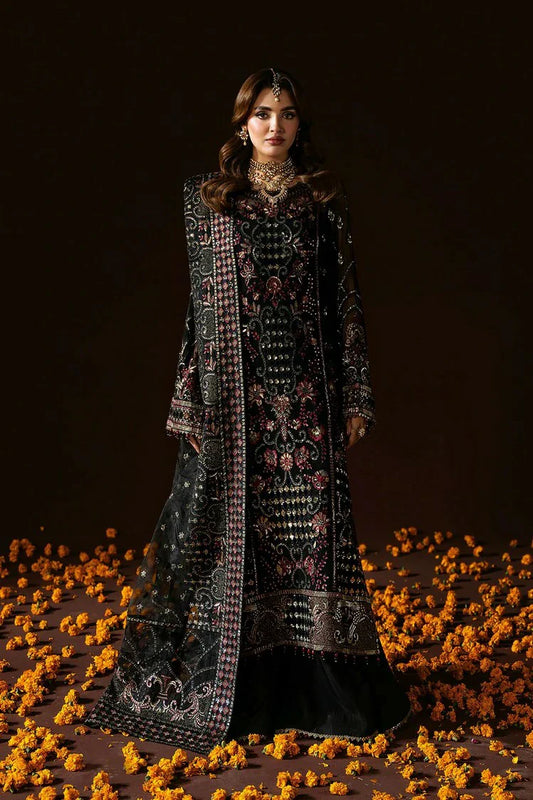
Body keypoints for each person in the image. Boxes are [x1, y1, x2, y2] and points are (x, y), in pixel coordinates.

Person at [85, 67, 412, 754]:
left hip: (308, 397)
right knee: (235, 542)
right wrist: (189, 400)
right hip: (235, 402)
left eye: (287, 113)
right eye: (262, 112)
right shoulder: (209, 201)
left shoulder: (322, 198)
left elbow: (344, 299)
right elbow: (199, 312)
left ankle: (318, 686)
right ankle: (242, 684)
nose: (275, 125)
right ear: (241, 124)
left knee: (311, 543)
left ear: (299, 123)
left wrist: (356, 392)